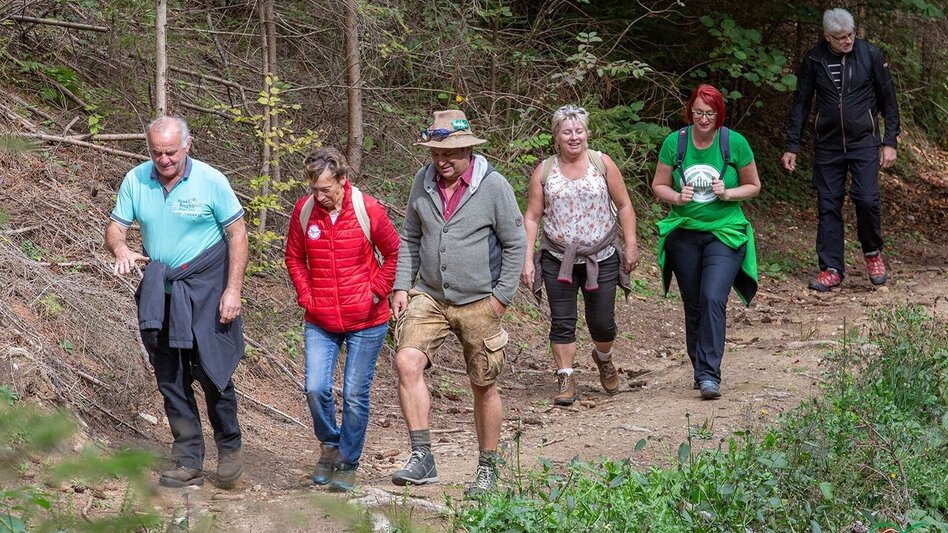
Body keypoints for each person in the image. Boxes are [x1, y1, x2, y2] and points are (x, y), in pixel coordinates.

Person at [105, 115, 248, 488]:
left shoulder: (211, 180)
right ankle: (187, 459)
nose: (164, 160)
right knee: (171, 378)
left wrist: (233, 290)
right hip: (162, 294)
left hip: (208, 290)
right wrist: (121, 248)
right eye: (156, 153)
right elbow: (116, 226)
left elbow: (237, 235)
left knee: (213, 373)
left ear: (187, 144)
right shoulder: (137, 179)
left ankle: (230, 449)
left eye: (170, 152)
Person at [389, 110, 526, 496]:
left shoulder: (494, 186)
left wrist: (500, 299)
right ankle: (422, 456)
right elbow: (411, 236)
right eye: (435, 153)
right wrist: (402, 286)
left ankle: (487, 468)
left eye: (448, 153)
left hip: (481, 299)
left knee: (483, 382)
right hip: (430, 294)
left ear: (468, 149)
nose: (441, 161)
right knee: (406, 361)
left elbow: (516, 244)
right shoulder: (423, 180)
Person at [284, 147, 400, 492]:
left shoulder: (368, 209)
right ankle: (330, 447)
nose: (320, 197)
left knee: (353, 394)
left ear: (343, 180)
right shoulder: (304, 212)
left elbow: (395, 252)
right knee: (315, 387)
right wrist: (307, 296)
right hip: (320, 318)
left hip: (367, 318)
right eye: (314, 189)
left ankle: (349, 462)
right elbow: (293, 257)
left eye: (327, 190)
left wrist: (376, 291)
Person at [520, 105, 640, 407]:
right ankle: (566, 376)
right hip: (556, 257)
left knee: (602, 323)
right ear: (556, 137)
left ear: (586, 132)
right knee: (562, 322)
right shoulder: (545, 171)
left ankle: (603, 358)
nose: (574, 137)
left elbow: (624, 205)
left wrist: (631, 243)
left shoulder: (602, 164)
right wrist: (526, 259)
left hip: (601, 256)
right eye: (566, 132)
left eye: (578, 131)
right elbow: (533, 217)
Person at [651, 84, 761, 400]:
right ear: (690, 112)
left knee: (713, 297)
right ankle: (700, 370)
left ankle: (710, 375)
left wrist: (728, 193)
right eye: (698, 112)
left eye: (709, 113)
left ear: (718, 114)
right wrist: (677, 197)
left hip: (725, 233)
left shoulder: (734, 143)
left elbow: (753, 185)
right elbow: (658, 184)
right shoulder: (676, 143)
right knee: (694, 303)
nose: (703, 119)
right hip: (684, 232)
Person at [782, 7, 900, 292]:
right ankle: (831, 268)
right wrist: (792, 145)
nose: (847, 40)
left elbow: (889, 101)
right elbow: (801, 104)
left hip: (864, 143)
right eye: (840, 37)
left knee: (867, 199)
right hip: (828, 145)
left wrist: (890, 141)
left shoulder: (870, 55)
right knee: (828, 205)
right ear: (827, 37)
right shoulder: (814, 59)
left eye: (850, 34)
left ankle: (872, 254)